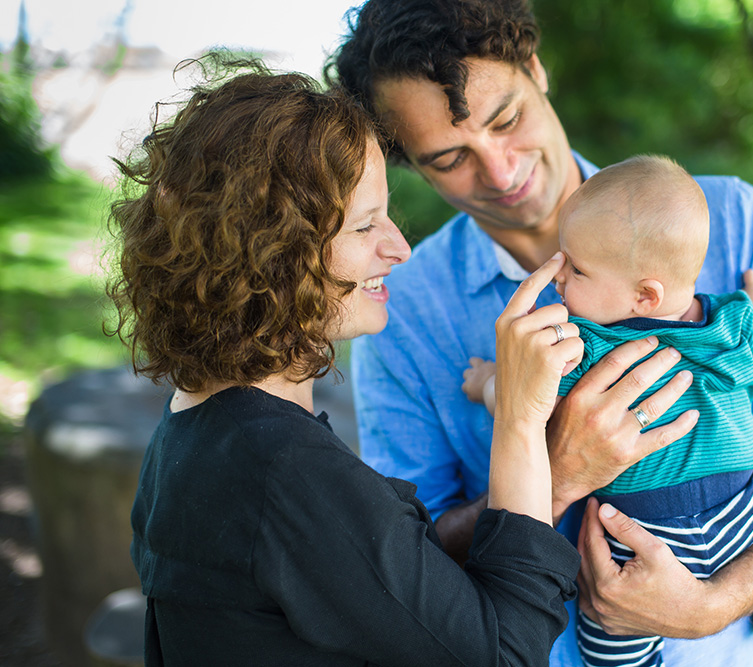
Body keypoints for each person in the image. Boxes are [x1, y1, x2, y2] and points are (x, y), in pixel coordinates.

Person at [328, 1, 753, 664]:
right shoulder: (405, 313)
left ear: (536, 70)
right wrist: (554, 474)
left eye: (506, 119)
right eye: (450, 157)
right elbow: (408, 564)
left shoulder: (726, 219)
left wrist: (719, 600)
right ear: (413, 166)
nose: (502, 173)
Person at [104, 55, 590, 666]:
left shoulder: (196, 428)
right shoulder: (283, 471)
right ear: (273, 255)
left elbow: (391, 588)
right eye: (364, 228)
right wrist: (520, 419)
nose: (400, 247)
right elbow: (506, 654)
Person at [461, 155, 753, 665]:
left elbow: (529, 396)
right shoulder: (731, 322)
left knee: (609, 623)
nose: (558, 279)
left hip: (643, 531)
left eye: (575, 268)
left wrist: (489, 379)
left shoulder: (590, 343)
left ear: (645, 295)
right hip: (745, 513)